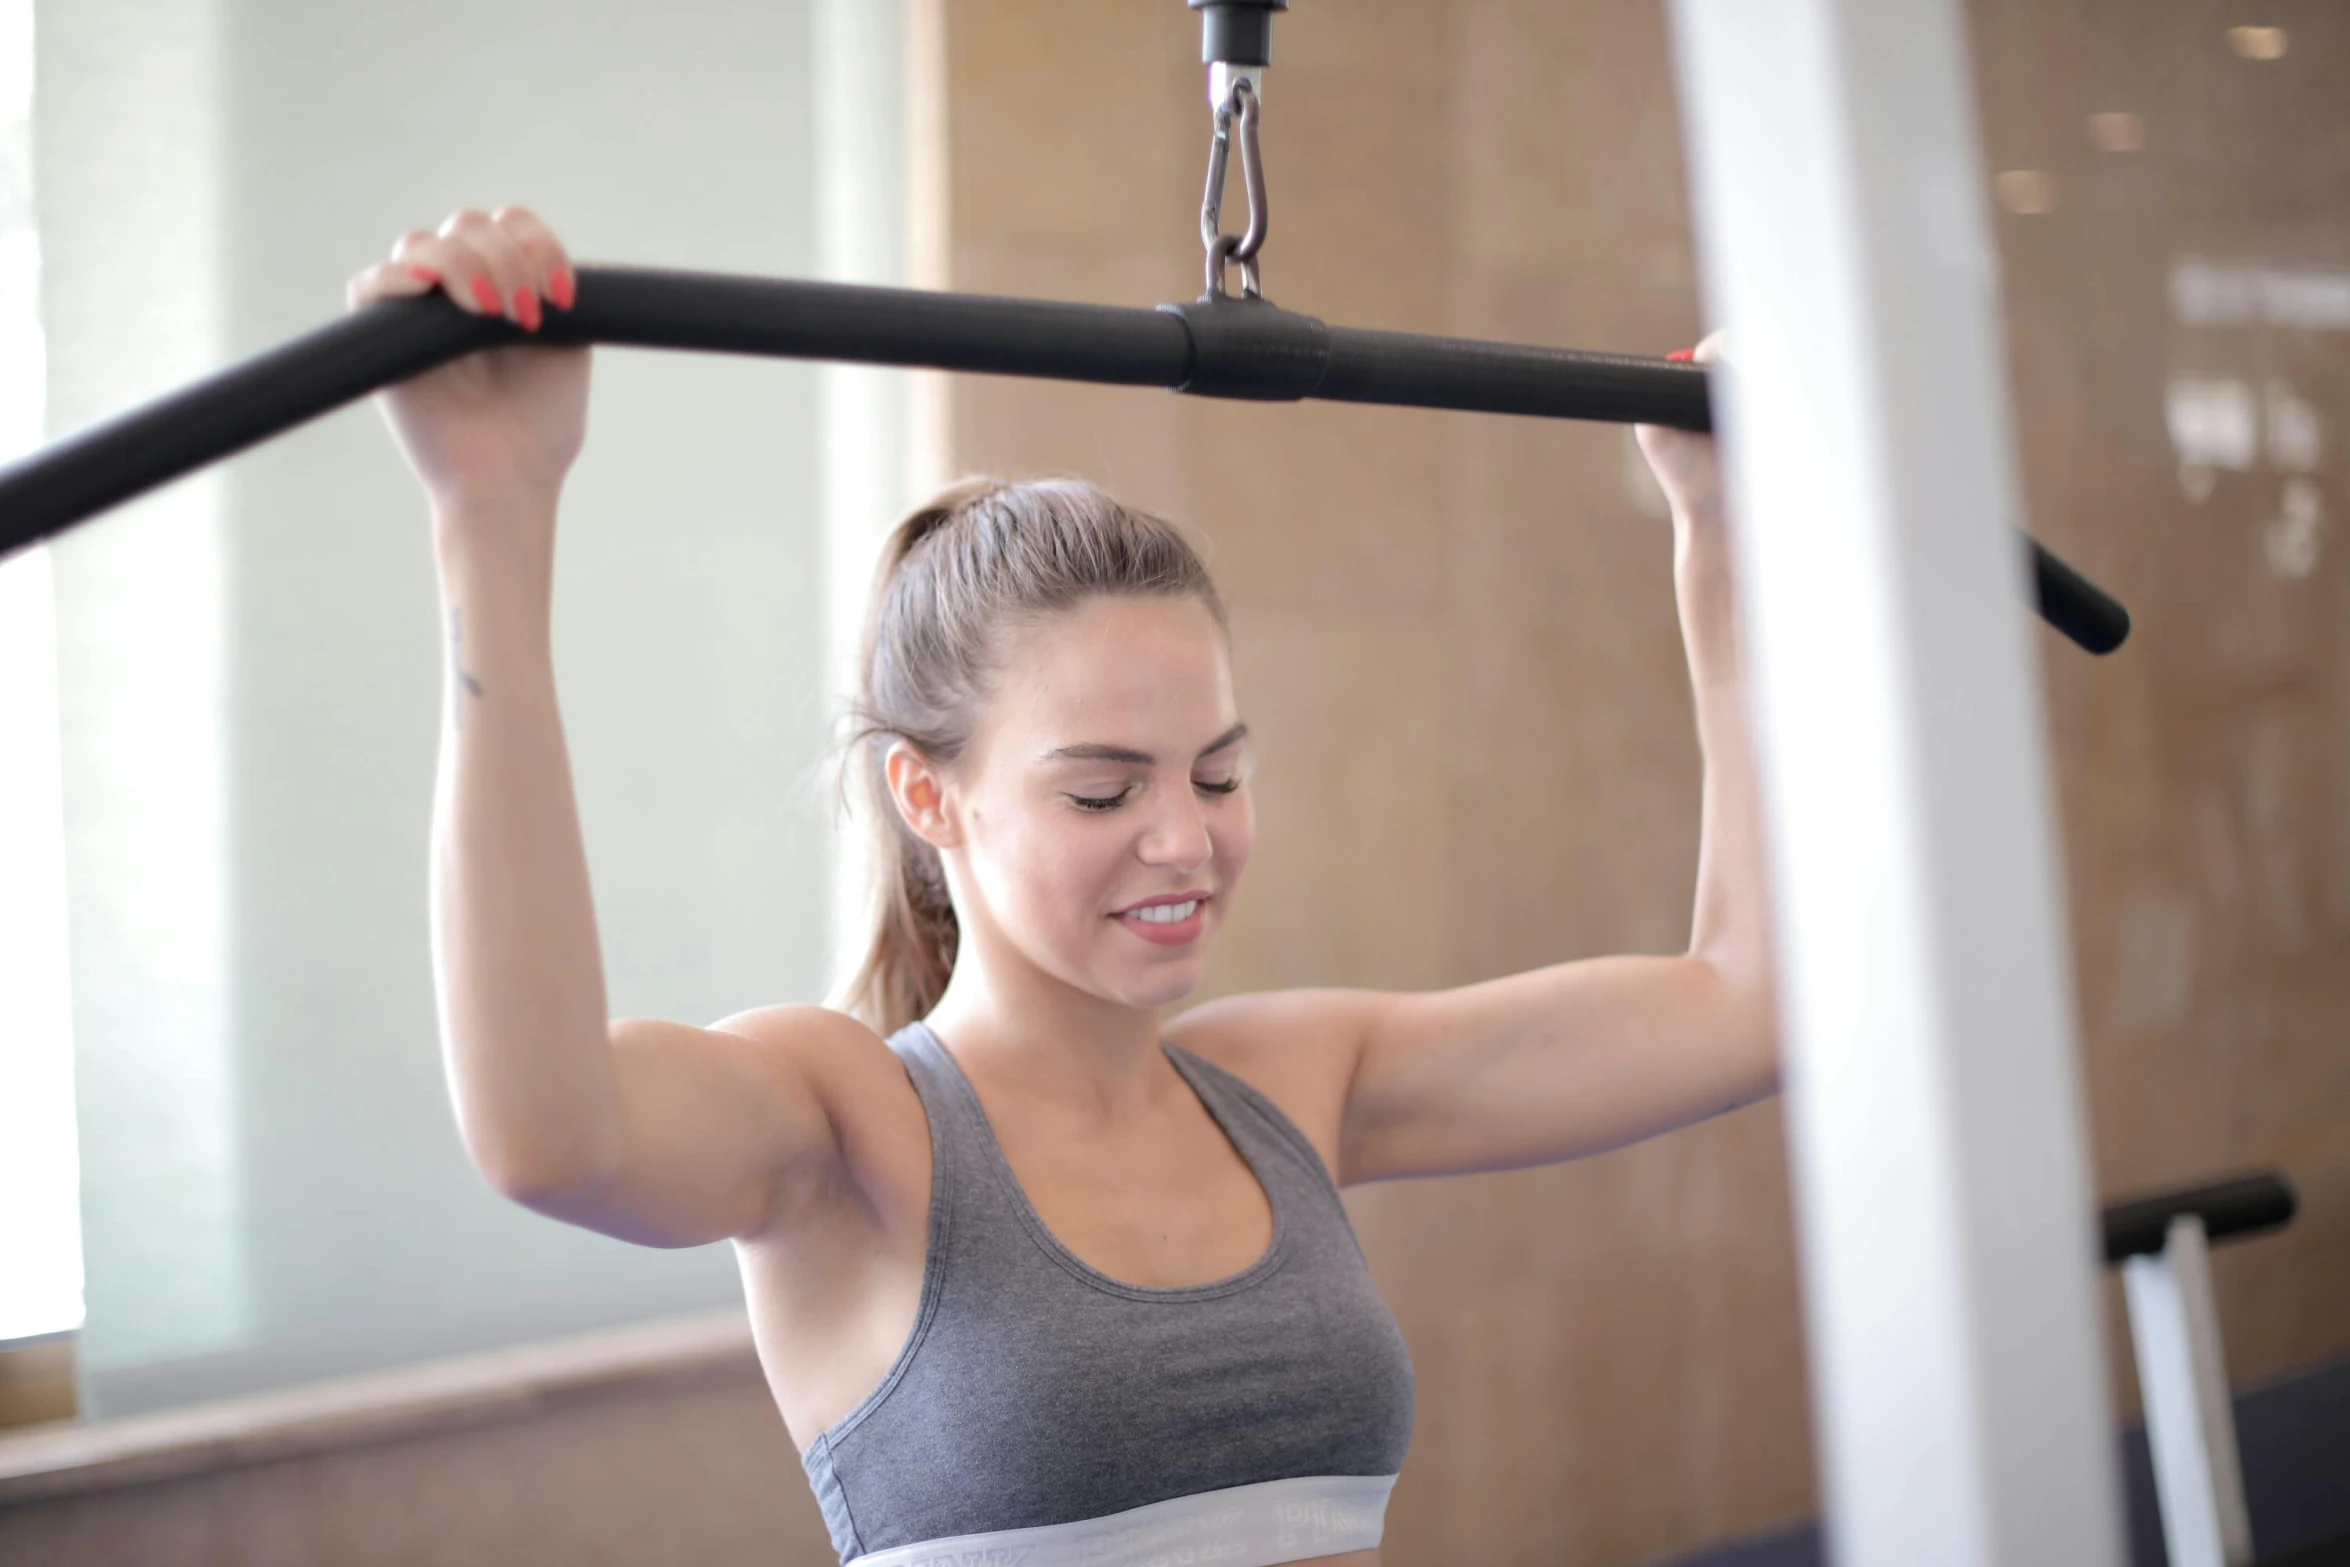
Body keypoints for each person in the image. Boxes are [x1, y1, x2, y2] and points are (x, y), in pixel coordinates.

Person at [350, 205, 1778, 1567]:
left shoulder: (1292, 1080)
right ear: (929, 796)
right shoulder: (846, 1123)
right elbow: (546, 1131)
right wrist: (492, 507)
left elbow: (1750, 1003)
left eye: (1217, 774)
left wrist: (1722, 538)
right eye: (1103, 789)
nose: (1184, 839)